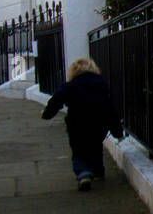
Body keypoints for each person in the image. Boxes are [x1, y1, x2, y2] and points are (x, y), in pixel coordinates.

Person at [41, 57, 123, 191]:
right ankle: (98, 171)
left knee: (78, 149)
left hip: (77, 124)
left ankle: (83, 173)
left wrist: (46, 114)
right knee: (95, 146)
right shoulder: (101, 85)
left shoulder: (70, 86)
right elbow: (110, 109)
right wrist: (117, 132)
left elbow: (56, 101)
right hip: (99, 124)